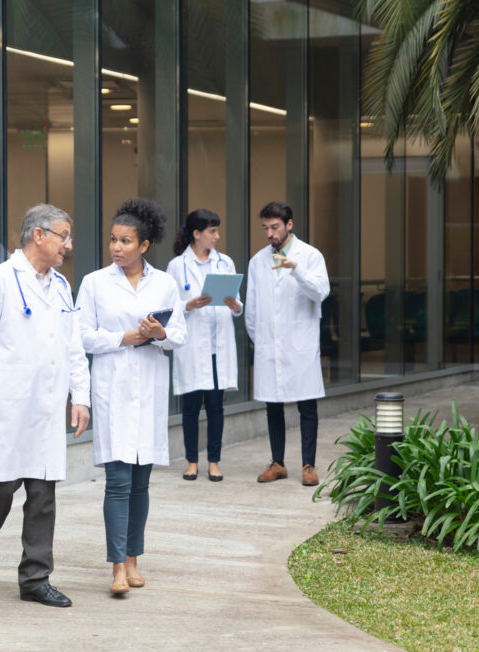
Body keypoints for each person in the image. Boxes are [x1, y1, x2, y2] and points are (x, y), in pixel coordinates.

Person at [0, 203, 90, 608]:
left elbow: (74, 346)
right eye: (63, 235)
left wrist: (80, 396)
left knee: (43, 494)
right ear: (38, 235)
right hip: (6, 405)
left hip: (47, 408)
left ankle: (35, 578)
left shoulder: (62, 286)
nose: (68, 244)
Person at [75, 198, 186, 595]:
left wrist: (159, 334)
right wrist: (126, 337)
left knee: (141, 484)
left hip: (149, 388)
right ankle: (117, 567)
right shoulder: (94, 282)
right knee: (118, 482)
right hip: (112, 388)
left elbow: (180, 336)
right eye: (112, 240)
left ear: (144, 245)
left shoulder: (165, 283)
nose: (116, 247)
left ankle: (135, 561)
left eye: (125, 241)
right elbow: (83, 336)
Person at [244, 201, 329, 487]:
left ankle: (309, 465)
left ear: (289, 225)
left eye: (275, 227)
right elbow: (253, 307)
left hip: (300, 344)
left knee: (307, 405)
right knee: (273, 405)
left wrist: (296, 270)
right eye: (265, 228)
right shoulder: (257, 261)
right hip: (270, 345)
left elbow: (320, 292)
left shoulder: (310, 256)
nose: (269, 233)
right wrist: (261, 340)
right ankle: (277, 463)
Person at [166, 209, 242, 482]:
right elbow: (169, 306)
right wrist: (189, 304)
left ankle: (214, 461)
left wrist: (235, 304)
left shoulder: (225, 263)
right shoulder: (177, 266)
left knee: (215, 407)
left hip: (217, 344)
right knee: (190, 406)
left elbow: (237, 304)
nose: (217, 237)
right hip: (192, 344)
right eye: (212, 232)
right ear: (197, 234)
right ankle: (191, 461)